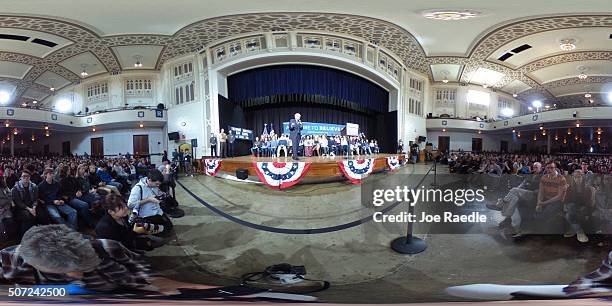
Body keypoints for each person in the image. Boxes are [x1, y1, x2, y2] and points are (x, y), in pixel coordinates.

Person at [96, 194, 165, 251]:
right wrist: (136, 233)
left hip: (131, 238)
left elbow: (129, 229)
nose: (126, 208)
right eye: (121, 207)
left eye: (125, 205)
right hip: (122, 250)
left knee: (160, 240)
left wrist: (142, 230)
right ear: (111, 212)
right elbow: (117, 247)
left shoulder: (122, 216)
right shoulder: (104, 228)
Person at [487, 162, 542, 228]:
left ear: (540, 168)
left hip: (533, 195)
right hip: (524, 193)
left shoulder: (542, 177)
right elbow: (522, 184)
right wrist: (517, 189)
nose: (534, 169)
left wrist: (516, 190)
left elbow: (542, 189)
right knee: (514, 197)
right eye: (534, 167)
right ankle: (508, 219)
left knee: (514, 190)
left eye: (536, 167)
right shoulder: (530, 175)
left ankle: (500, 205)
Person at [563, 169, 594, 243]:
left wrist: (582, 209)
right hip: (573, 209)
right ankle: (579, 231)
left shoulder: (588, 188)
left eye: (579, 177)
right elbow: (566, 201)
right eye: (575, 177)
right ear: (573, 178)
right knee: (570, 209)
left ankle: (573, 229)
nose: (577, 179)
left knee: (569, 215)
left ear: (582, 177)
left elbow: (588, 203)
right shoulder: (570, 188)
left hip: (583, 209)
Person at [11, 170, 38, 241]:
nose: (26, 178)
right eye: (24, 176)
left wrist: (34, 208)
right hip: (20, 208)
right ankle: (23, 238)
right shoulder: (16, 188)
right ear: (21, 178)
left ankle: (34, 234)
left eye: (28, 176)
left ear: (30, 177)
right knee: (27, 216)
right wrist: (30, 209)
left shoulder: (34, 186)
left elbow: (35, 199)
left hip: (31, 206)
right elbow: (18, 202)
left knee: (42, 214)